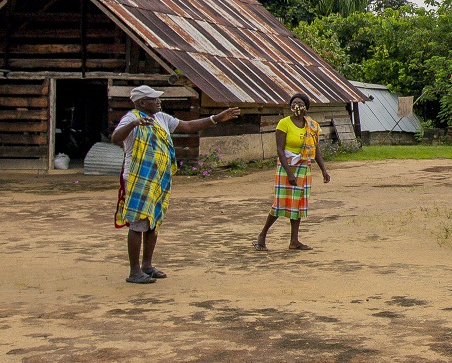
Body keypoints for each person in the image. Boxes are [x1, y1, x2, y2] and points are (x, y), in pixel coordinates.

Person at [112, 85, 240, 285]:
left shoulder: (161, 118)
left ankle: (147, 265)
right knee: (138, 223)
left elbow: (188, 126)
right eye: (154, 99)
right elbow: (115, 138)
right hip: (139, 177)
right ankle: (134, 271)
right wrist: (134, 125)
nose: (159, 101)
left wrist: (216, 118)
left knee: (154, 222)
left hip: (159, 178)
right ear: (142, 103)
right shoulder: (131, 118)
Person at [256, 92, 331, 250]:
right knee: (280, 202)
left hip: (304, 166)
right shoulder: (284, 124)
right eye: (293, 103)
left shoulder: (311, 125)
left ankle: (294, 241)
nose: (296, 106)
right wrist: (289, 172)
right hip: (287, 166)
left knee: (298, 204)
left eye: (299, 103)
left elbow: (315, 149)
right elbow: (280, 150)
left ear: (306, 108)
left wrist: (324, 170)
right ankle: (262, 235)